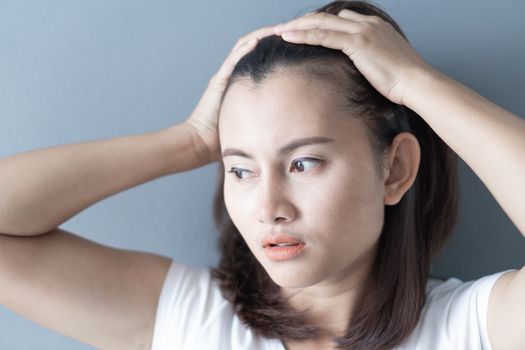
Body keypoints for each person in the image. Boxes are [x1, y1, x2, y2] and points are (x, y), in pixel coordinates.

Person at [0, 1, 523, 349]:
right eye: (241, 169)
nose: (269, 206)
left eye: (302, 163)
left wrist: (415, 81)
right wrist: (188, 142)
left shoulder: (470, 328)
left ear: (397, 169)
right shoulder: (194, 320)